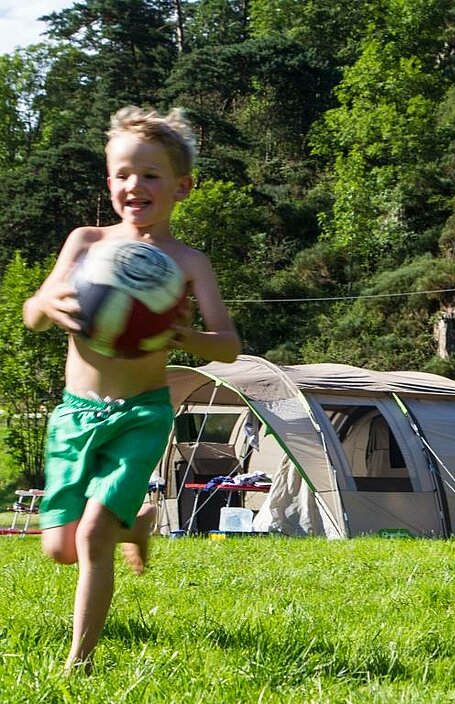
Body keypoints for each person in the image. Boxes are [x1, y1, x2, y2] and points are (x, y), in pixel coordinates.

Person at [23, 106, 241, 670]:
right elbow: (32, 314)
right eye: (122, 173)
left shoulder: (189, 262)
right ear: (108, 182)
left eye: (149, 174)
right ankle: (137, 523)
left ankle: (79, 662)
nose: (133, 185)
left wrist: (181, 332)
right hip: (75, 415)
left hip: (142, 414)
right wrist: (47, 303)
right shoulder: (85, 243)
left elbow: (228, 345)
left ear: (181, 187)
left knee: (92, 534)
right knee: (59, 548)